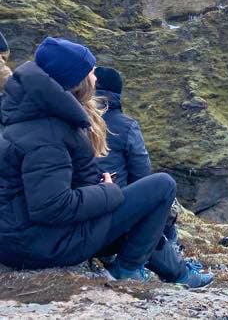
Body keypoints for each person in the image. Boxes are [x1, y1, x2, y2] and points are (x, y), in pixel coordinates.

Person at [0, 37, 210, 288]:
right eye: (91, 72)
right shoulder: (48, 134)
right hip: (39, 246)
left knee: (132, 212)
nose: (96, 79)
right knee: (161, 186)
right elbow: (51, 207)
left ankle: (178, 273)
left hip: (24, 237)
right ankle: (128, 270)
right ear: (75, 81)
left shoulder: (31, 116)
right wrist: (107, 192)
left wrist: (100, 191)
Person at [94, 66, 198, 284]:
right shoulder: (125, 125)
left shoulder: (70, 121)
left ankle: (179, 270)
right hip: (107, 220)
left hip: (74, 220)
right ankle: (176, 273)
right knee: (158, 198)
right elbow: (142, 176)